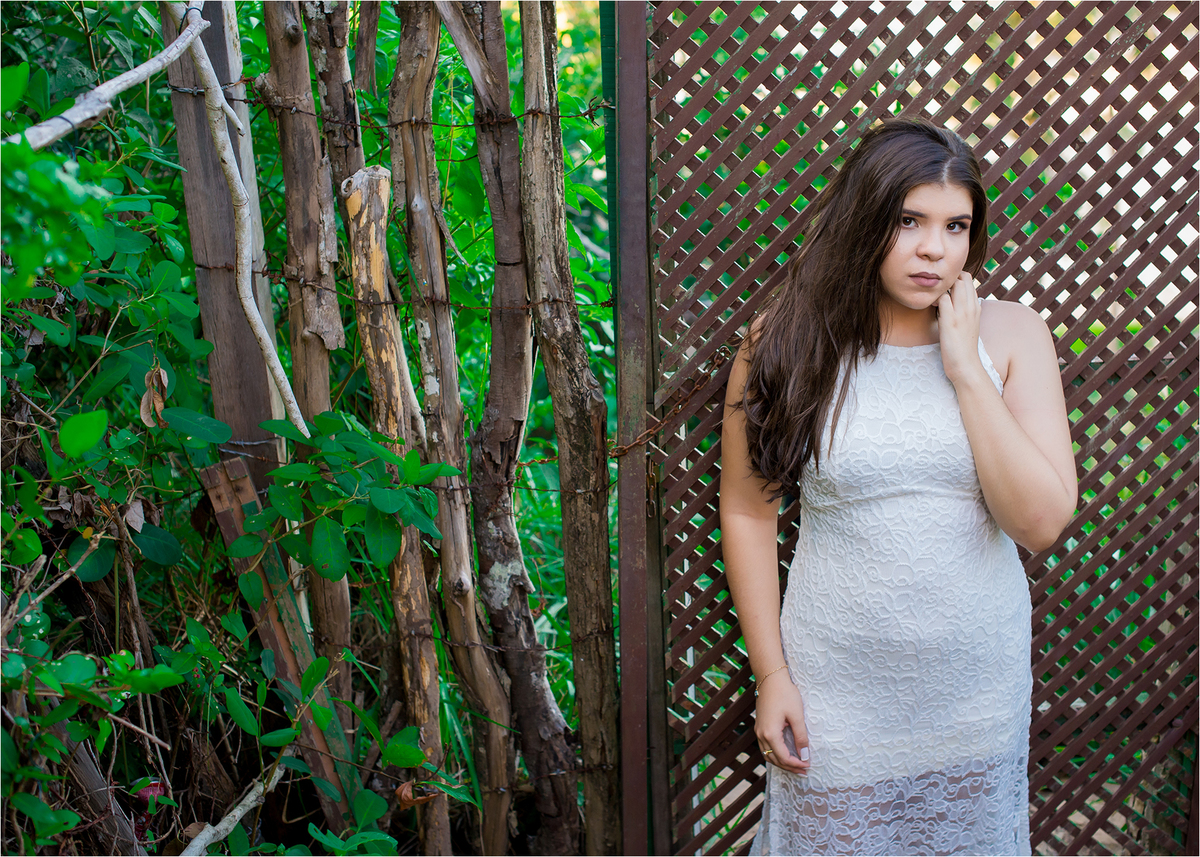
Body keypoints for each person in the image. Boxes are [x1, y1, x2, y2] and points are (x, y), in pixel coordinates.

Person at [720, 118, 1077, 856]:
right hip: (834, 691)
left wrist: (966, 370)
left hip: (974, 690)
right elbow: (750, 513)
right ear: (865, 218)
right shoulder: (787, 340)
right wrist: (771, 674)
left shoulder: (1013, 336)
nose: (933, 248)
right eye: (909, 220)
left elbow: (1039, 523)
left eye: (955, 226)